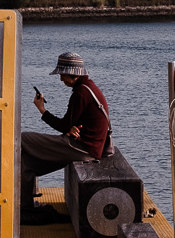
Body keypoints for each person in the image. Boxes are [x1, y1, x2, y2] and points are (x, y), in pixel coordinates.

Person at [21, 52, 112, 224]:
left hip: (83, 148)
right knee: (25, 164)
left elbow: (63, 125)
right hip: (84, 144)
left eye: (63, 74)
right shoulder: (88, 87)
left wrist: (42, 109)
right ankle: (25, 208)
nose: (61, 79)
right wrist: (72, 127)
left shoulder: (81, 93)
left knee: (22, 139)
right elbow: (71, 124)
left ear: (73, 74)